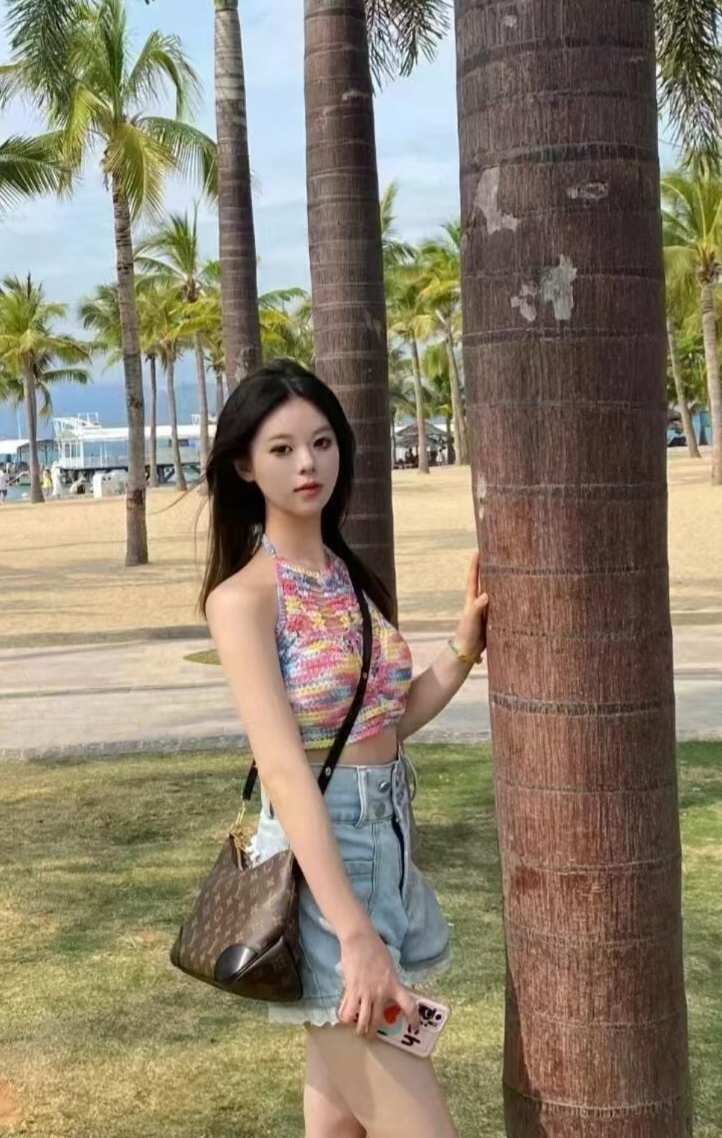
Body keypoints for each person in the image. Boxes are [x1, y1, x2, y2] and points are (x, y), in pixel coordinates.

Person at [201, 360, 488, 1137]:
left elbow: (381, 725)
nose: (308, 464)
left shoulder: (344, 576)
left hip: (386, 842)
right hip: (324, 866)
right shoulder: (243, 599)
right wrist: (352, 932)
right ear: (243, 466)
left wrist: (461, 650)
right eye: (282, 448)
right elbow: (285, 771)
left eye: (322, 442)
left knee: (337, 1125)